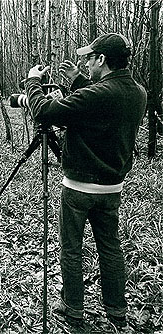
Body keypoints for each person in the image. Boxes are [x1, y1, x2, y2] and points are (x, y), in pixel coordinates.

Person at [24, 33, 146, 329]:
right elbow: (101, 107)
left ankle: (72, 309)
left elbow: (45, 112)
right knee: (110, 248)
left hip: (79, 187)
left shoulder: (96, 95)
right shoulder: (138, 92)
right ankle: (117, 312)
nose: (85, 62)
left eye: (89, 58)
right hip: (112, 188)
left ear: (102, 60)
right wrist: (78, 80)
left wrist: (32, 82)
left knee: (72, 249)